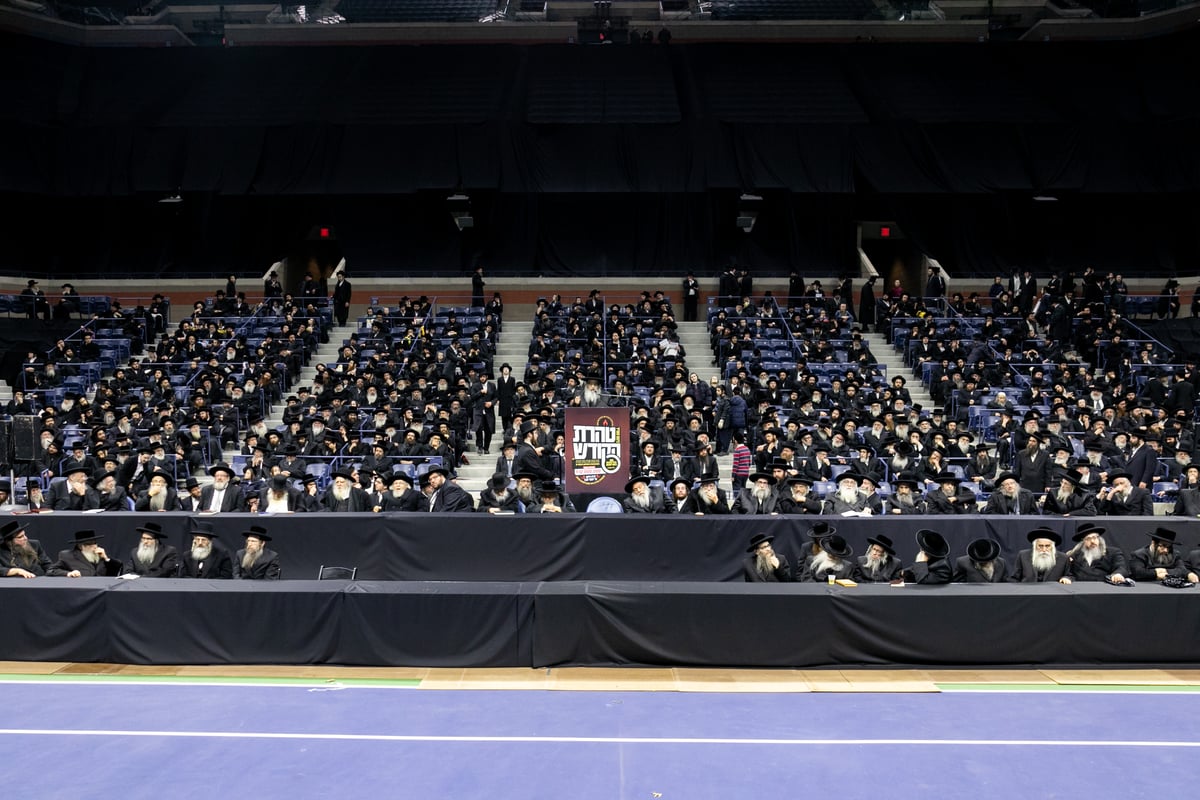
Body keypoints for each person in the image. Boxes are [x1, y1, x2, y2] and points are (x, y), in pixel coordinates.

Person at [50, 530, 123, 578]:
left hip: (103, 589)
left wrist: (106, 558)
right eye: (90, 545)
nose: (94, 547)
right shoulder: (67, 556)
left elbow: (118, 567)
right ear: (81, 546)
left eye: (95, 543)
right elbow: (51, 571)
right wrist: (69, 573)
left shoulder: (100, 555)